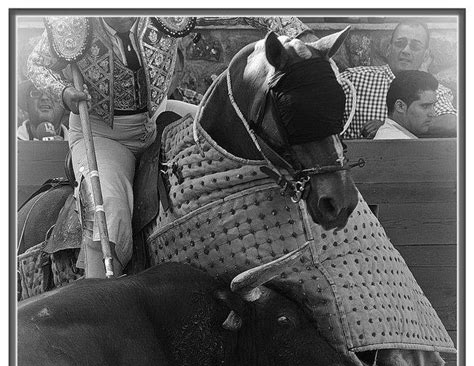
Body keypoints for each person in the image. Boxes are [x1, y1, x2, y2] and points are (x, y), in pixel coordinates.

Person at [27, 15, 313, 278]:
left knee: (234, 131)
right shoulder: (73, 24)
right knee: (109, 212)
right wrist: (63, 92)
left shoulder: (166, 11)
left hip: (158, 115)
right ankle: (99, 298)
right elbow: (36, 64)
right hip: (104, 134)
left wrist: (297, 32)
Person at [338, 20, 456, 139]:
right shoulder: (354, 80)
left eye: (415, 46)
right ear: (389, 49)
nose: (406, 51)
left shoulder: (434, 91)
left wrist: (390, 127)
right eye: (400, 44)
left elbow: (453, 124)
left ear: (425, 55)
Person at [373, 70, 438, 139]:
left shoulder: (391, 135)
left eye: (433, 105)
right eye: (425, 106)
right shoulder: (400, 142)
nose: (433, 114)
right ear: (400, 106)